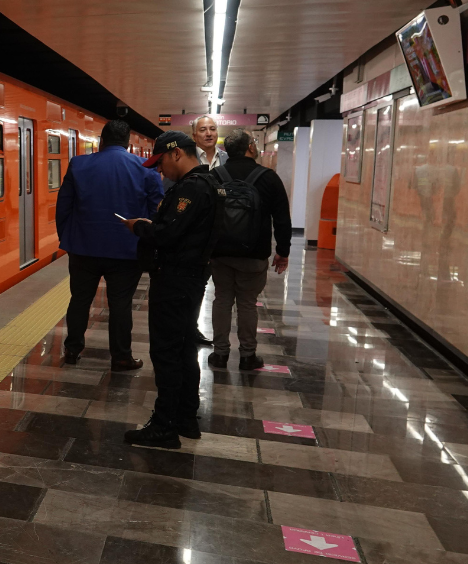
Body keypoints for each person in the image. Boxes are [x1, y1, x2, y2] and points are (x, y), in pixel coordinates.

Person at [121, 131, 218, 448]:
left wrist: (139, 226)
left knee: (166, 353)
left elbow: (167, 235)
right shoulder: (209, 184)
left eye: (160, 161)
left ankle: (164, 425)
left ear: (176, 154)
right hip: (190, 278)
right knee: (184, 348)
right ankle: (186, 418)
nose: (159, 169)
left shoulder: (190, 189)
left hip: (176, 280)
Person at [55, 119, 162, 371]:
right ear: (127, 144)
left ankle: (72, 350)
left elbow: (63, 207)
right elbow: (157, 209)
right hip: (127, 249)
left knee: (80, 299)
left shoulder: (78, 164)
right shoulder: (145, 168)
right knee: (121, 304)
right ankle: (121, 357)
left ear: (101, 141)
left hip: (82, 247)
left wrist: (68, 239)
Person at [207, 130, 291, 370]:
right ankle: (247, 356)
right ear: (251, 148)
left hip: (220, 252)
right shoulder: (268, 178)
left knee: (222, 299)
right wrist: (282, 251)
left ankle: (220, 354)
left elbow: (204, 215)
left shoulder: (214, 176)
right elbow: (282, 219)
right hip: (254, 253)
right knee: (247, 302)